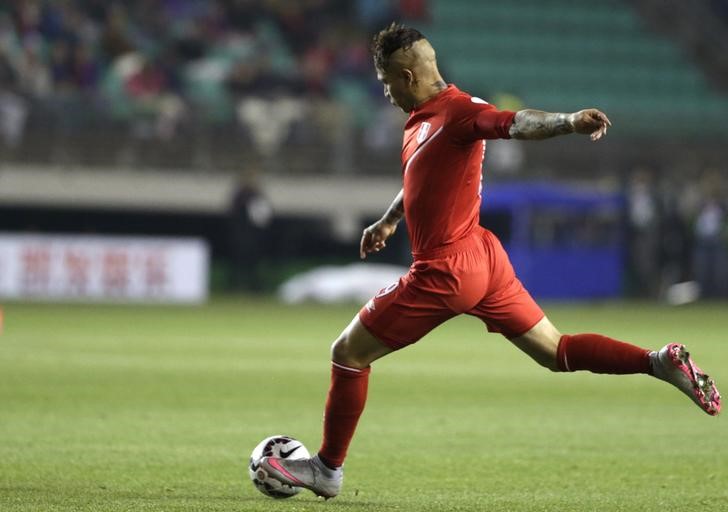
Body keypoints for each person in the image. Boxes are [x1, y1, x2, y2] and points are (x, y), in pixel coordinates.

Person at [258, 23, 721, 499]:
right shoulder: (423, 120)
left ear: (406, 76)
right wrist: (389, 220)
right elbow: (422, 178)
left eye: (386, 83)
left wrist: (568, 121)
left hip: (446, 268)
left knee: (348, 355)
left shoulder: (460, 110)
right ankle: (656, 362)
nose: (386, 92)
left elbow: (513, 123)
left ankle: (328, 470)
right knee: (556, 351)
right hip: (483, 259)